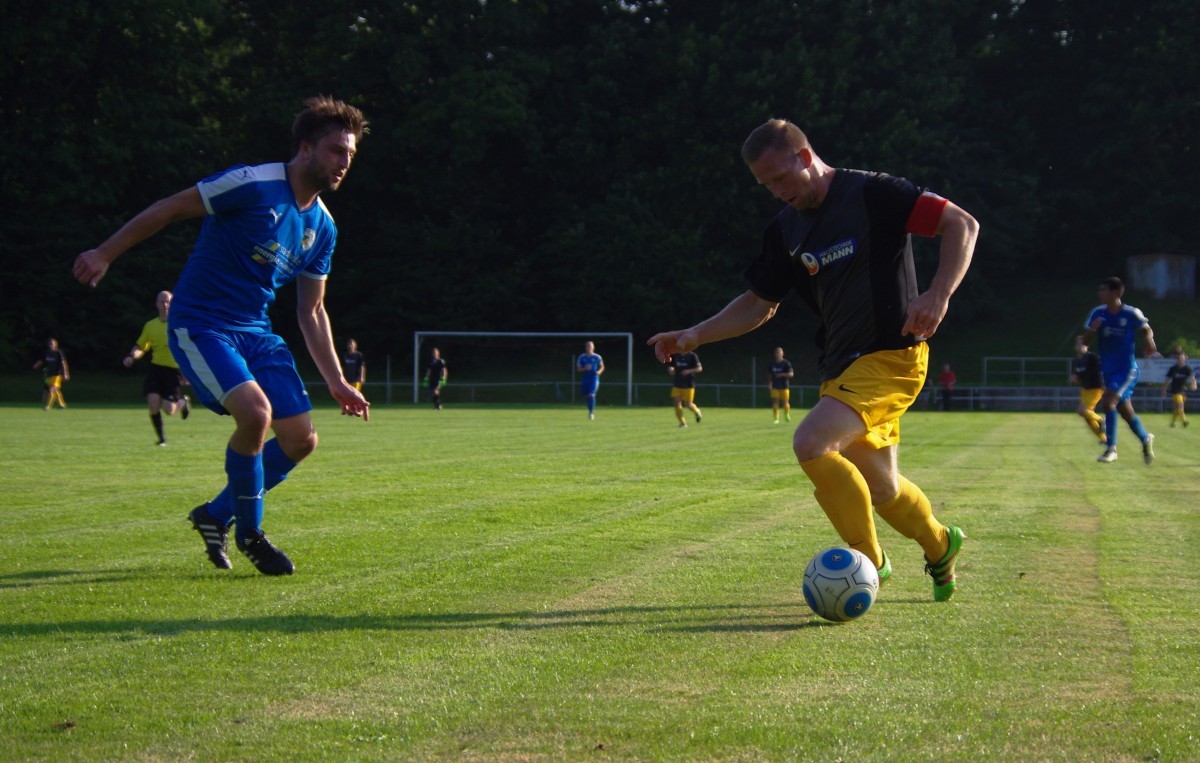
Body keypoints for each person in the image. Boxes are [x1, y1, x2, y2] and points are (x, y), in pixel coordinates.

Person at [648, 118, 979, 601]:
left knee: (811, 442)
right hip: (841, 367)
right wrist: (694, 334)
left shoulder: (872, 192)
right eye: (766, 185)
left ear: (804, 157)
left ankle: (870, 564)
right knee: (883, 489)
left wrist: (938, 294)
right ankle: (941, 544)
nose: (776, 192)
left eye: (780, 178)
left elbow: (961, 224)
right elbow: (759, 302)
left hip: (893, 356)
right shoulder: (785, 229)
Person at [72, 95, 371, 575]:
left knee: (300, 439)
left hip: (256, 332)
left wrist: (337, 380)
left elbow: (312, 309)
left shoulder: (323, 227)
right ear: (305, 148)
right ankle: (251, 534)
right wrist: (105, 253)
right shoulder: (253, 183)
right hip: (202, 324)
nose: (344, 162)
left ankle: (214, 515)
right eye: (336, 150)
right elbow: (170, 208)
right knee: (256, 414)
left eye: (350, 154)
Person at [1082, 277, 1159, 464]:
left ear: (1115, 292)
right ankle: (1145, 438)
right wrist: (1092, 330)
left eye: (1104, 290)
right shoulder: (1098, 313)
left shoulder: (1131, 313)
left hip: (1126, 370)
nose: (1100, 293)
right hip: (1108, 370)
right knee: (1125, 412)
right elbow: (1085, 342)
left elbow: (1146, 329)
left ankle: (1111, 448)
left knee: (1108, 402)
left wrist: (1149, 342)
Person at [124, 290, 191, 446]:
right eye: (162, 301)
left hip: (174, 371)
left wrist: (189, 370)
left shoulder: (180, 325)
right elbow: (141, 346)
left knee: (169, 410)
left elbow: (190, 348)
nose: (165, 305)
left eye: (168, 302)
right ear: (156, 304)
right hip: (156, 369)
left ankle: (183, 401)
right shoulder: (150, 326)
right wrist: (132, 356)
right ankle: (162, 439)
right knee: (153, 402)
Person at [1069, 335, 1107, 445]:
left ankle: (1101, 420)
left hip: (1096, 388)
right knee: (1087, 417)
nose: (1080, 346)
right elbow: (1077, 375)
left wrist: (1104, 383)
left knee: (1082, 411)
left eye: (1082, 343)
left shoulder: (1092, 357)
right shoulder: (1076, 361)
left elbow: (1102, 370)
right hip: (1085, 389)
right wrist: (1074, 378)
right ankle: (1104, 439)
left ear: (1087, 346)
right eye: (1078, 344)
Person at [32, 337, 69, 410]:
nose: (51, 345)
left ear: (55, 344)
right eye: (49, 344)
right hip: (49, 375)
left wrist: (65, 374)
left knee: (52, 389)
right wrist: (36, 365)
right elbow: (42, 360)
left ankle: (48, 406)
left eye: (52, 344)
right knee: (56, 390)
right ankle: (62, 404)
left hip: (57, 374)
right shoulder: (46, 353)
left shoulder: (58, 353)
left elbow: (63, 363)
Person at [1161, 351, 1196, 428]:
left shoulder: (1187, 368)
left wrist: (1194, 385)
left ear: (1185, 358)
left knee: (1178, 409)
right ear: (1178, 359)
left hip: (1183, 391)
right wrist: (1164, 389)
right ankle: (1184, 421)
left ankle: (1172, 423)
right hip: (1175, 391)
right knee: (1180, 405)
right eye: (1180, 358)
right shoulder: (1173, 369)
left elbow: (1192, 377)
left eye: (1183, 358)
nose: (1181, 359)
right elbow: (1167, 380)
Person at [668, 351, 703, 427]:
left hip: (688, 384)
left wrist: (689, 371)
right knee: (676, 403)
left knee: (688, 404)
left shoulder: (692, 355)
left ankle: (697, 411)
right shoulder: (675, 355)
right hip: (677, 383)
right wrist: (671, 369)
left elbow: (699, 368)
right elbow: (671, 365)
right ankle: (683, 423)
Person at [576, 340, 605, 420]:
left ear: (593, 347)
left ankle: (591, 413)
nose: (589, 347)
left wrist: (599, 372)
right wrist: (584, 368)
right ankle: (590, 410)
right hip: (585, 379)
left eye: (590, 346)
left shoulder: (597, 357)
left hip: (594, 379)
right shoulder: (582, 357)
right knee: (587, 396)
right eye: (588, 346)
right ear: (585, 347)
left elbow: (602, 366)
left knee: (591, 395)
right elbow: (578, 369)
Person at [768, 346, 794, 424]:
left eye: (779, 352)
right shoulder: (772, 364)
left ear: (782, 353)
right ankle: (776, 419)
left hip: (784, 386)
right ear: (775, 354)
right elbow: (770, 375)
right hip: (775, 386)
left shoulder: (786, 363)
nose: (778, 354)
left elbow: (791, 374)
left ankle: (786, 414)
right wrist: (769, 384)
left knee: (785, 403)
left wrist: (782, 374)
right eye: (776, 352)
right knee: (775, 402)